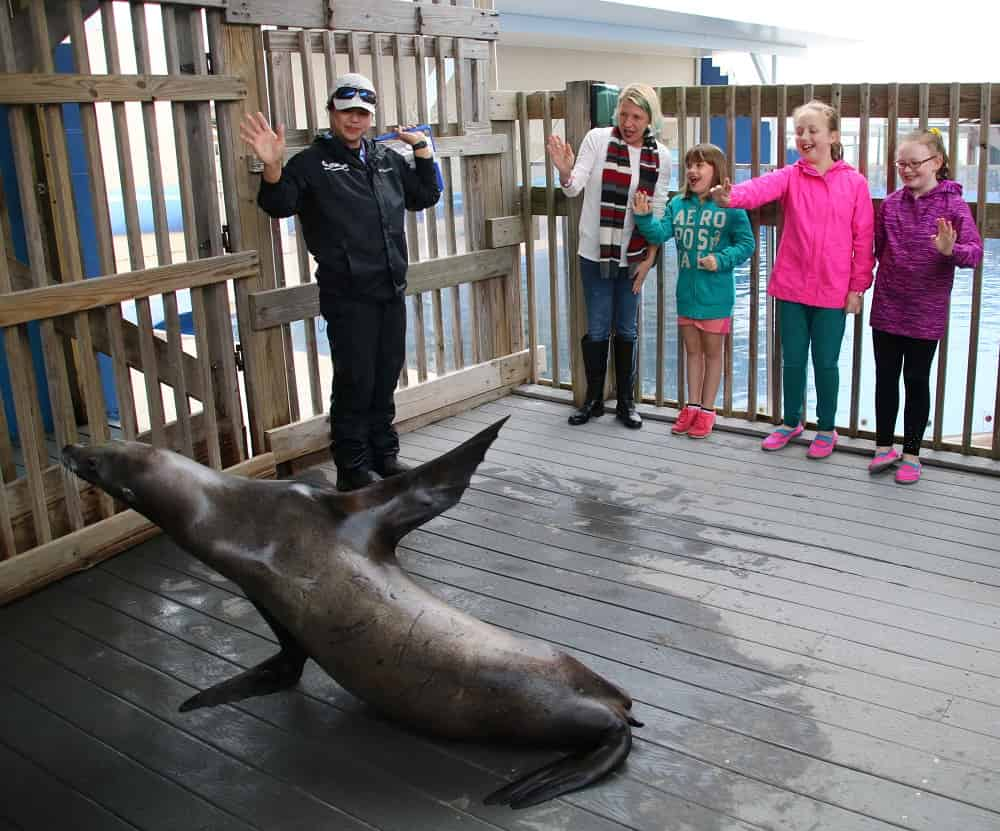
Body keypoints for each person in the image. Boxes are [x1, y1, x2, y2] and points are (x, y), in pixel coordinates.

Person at [241, 73, 441, 491]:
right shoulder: (311, 164)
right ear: (331, 111)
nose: (355, 120)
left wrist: (421, 149)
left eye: (363, 113)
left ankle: (384, 455)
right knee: (355, 379)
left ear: (371, 118)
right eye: (347, 111)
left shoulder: (384, 159)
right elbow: (278, 205)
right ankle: (352, 468)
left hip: (391, 288)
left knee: (386, 374)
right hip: (347, 294)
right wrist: (272, 166)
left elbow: (426, 194)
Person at [711, 99, 874, 459]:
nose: (804, 137)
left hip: (833, 291)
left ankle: (827, 427)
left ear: (832, 136)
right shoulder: (790, 175)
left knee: (827, 362)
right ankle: (791, 421)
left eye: (813, 130)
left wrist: (857, 288)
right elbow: (757, 189)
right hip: (792, 286)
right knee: (793, 359)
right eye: (799, 131)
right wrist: (731, 197)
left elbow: (864, 241)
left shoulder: (855, 183)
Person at [547, 83, 671, 429]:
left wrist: (650, 259)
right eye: (624, 114)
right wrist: (564, 169)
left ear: (650, 119)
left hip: (633, 255)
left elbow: (657, 211)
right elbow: (574, 187)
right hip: (594, 252)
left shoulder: (660, 155)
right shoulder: (598, 139)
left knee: (627, 328)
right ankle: (594, 401)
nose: (629, 122)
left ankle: (627, 403)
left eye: (637, 117)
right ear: (617, 112)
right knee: (598, 326)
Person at [868, 128, 983, 485]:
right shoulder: (889, 205)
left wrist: (951, 251)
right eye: (901, 163)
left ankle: (912, 453)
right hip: (887, 305)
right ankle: (884, 445)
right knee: (885, 378)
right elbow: (878, 248)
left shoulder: (953, 206)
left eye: (914, 162)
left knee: (916, 380)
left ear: (937, 162)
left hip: (925, 312)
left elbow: (975, 254)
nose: (906, 169)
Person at [633, 143, 754, 440]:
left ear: (717, 170)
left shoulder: (731, 207)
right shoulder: (677, 205)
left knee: (713, 354)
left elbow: (746, 244)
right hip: (686, 295)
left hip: (716, 297)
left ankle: (708, 410)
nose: (692, 170)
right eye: (690, 164)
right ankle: (692, 405)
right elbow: (660, 234)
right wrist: (644, 217)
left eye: (700, 165)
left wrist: (720, 260)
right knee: (692, 352)